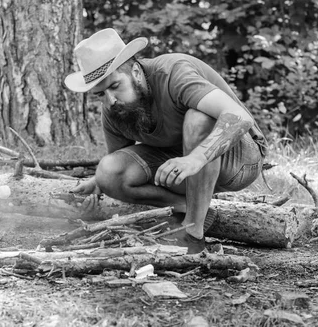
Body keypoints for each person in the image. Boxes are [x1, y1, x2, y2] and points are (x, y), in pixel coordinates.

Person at [64, 28, 267, 253]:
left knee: (198, 118)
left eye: (114, 86)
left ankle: (193, 233)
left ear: (136, 72)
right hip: (185, 168)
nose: (110, 101)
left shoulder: (173, 72)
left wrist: (195, 158)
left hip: (239, 160)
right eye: (100, 94)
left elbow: (240, 118)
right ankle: (191, 207)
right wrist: (99, 182)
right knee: (108, 171)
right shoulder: (114, 109)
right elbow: (119, 162)